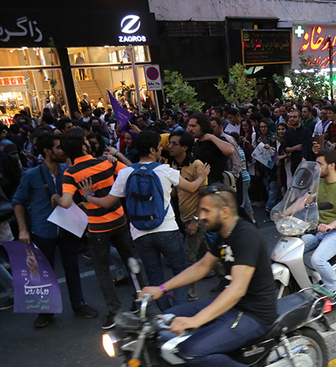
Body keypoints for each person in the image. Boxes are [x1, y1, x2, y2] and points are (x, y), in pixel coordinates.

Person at [139, 184, 278, 367]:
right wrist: (161, 288)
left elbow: (237, 289)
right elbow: (203, 266)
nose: (200, 216)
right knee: (165, 319)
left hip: (253, 313)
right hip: (231, 306)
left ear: (224, 211)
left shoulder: (245, 236)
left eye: (205, 211)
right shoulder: (225, 235)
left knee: (191, 350)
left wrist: (195, 321)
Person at [82, 131, 210, 313]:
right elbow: (192, 188)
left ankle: (165, 314)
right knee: (181, 272)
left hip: (139, 233)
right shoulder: (165, 170)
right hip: (167, 230)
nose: (161, 149)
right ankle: (177, 313)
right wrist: (202, 175)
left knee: (154, 278)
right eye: (159, 146)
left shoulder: (126, 173)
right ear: (152, 149)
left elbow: (107, 203)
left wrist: (87, 196)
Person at [12, 132, 98, 328]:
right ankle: (45, 311)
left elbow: (87, 194)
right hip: (43, 230)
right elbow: (18, 202)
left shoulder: (69, 171)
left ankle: (79, 304)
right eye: (59, 147)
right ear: (46, 151)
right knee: (43, 272)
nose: (63, 150)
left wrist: (86, 201)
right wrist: (23, 230)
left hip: (68, 228)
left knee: (72, 267)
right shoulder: (31, 175)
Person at [54, 129, 138, 330]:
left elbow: (65, 202)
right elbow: (130, 170)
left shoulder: (71, 173)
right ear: (84, 145)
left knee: (101, 269)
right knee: (130, 260)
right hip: (119, 219)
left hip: (98, 227)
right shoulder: (106, 162)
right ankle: (141, 297)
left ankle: (114, 310)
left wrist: (54, 198)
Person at [302, 149, 336, 304]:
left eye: (320, 164)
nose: (317, 168)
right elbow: (305, 200)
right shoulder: (319, 182)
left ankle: (335, 287)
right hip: (319, 229)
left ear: (331, 165)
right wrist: (285, 212)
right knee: (296, 248)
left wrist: (330, 226)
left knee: (317, 259)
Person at [167, 130, 209, 301]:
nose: (169, 146)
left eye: (174, 144)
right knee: (206, 252)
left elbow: (204, 195)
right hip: (183, 217)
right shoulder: (174, 165)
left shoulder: (196, 165)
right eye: (169, 143)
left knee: (188, 257)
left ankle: (190, 296)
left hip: (196, 218)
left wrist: (196, 220)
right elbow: (175, 195)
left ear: (185, 147)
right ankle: (227, 276)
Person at [188, 113, 234, 184]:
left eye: (194, 126)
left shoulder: (215, 140)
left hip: (214, 185)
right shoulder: (196, 143)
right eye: (189, 126)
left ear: (203, 126)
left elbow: (230, 151)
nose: (190, 129)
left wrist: (211, 137)